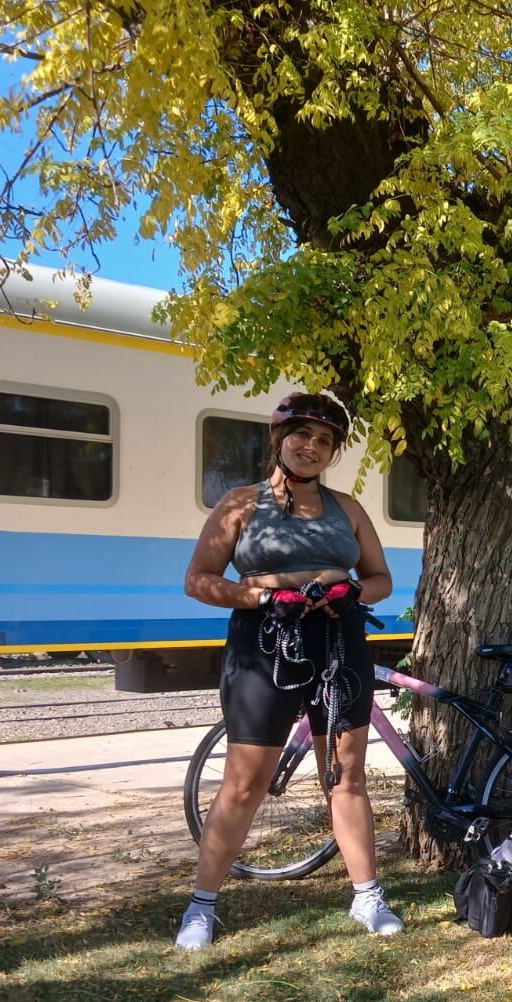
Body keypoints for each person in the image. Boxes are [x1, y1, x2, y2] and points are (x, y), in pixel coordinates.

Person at [176, 390, 402, 950]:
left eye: (325, 441)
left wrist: (351, 592)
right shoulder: (240, 504)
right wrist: (256, 597)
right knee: (246, 781)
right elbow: (199, 578)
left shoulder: (347, 507)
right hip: (265, 643)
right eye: (302, 435)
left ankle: (367, 898)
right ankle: (201, 907)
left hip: (338, 640)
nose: (312, 447)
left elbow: (381, 579)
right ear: (279, 439)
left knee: (346, 776)